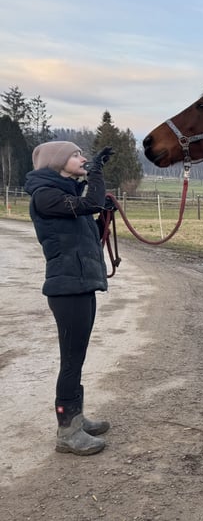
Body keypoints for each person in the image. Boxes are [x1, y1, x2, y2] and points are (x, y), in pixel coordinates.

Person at [23, 141, 115, 456]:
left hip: (81, 284)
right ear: (58, 161)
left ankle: (76, 418)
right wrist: (97, 177)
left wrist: (105, 217)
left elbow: (88, 233)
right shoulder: (45, 196)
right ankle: (67, 431)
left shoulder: (68, 195)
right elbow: (89, 204)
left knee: (77, 357)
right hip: (67, 288)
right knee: (71, 361)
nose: (82, 158)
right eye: (76, 155)